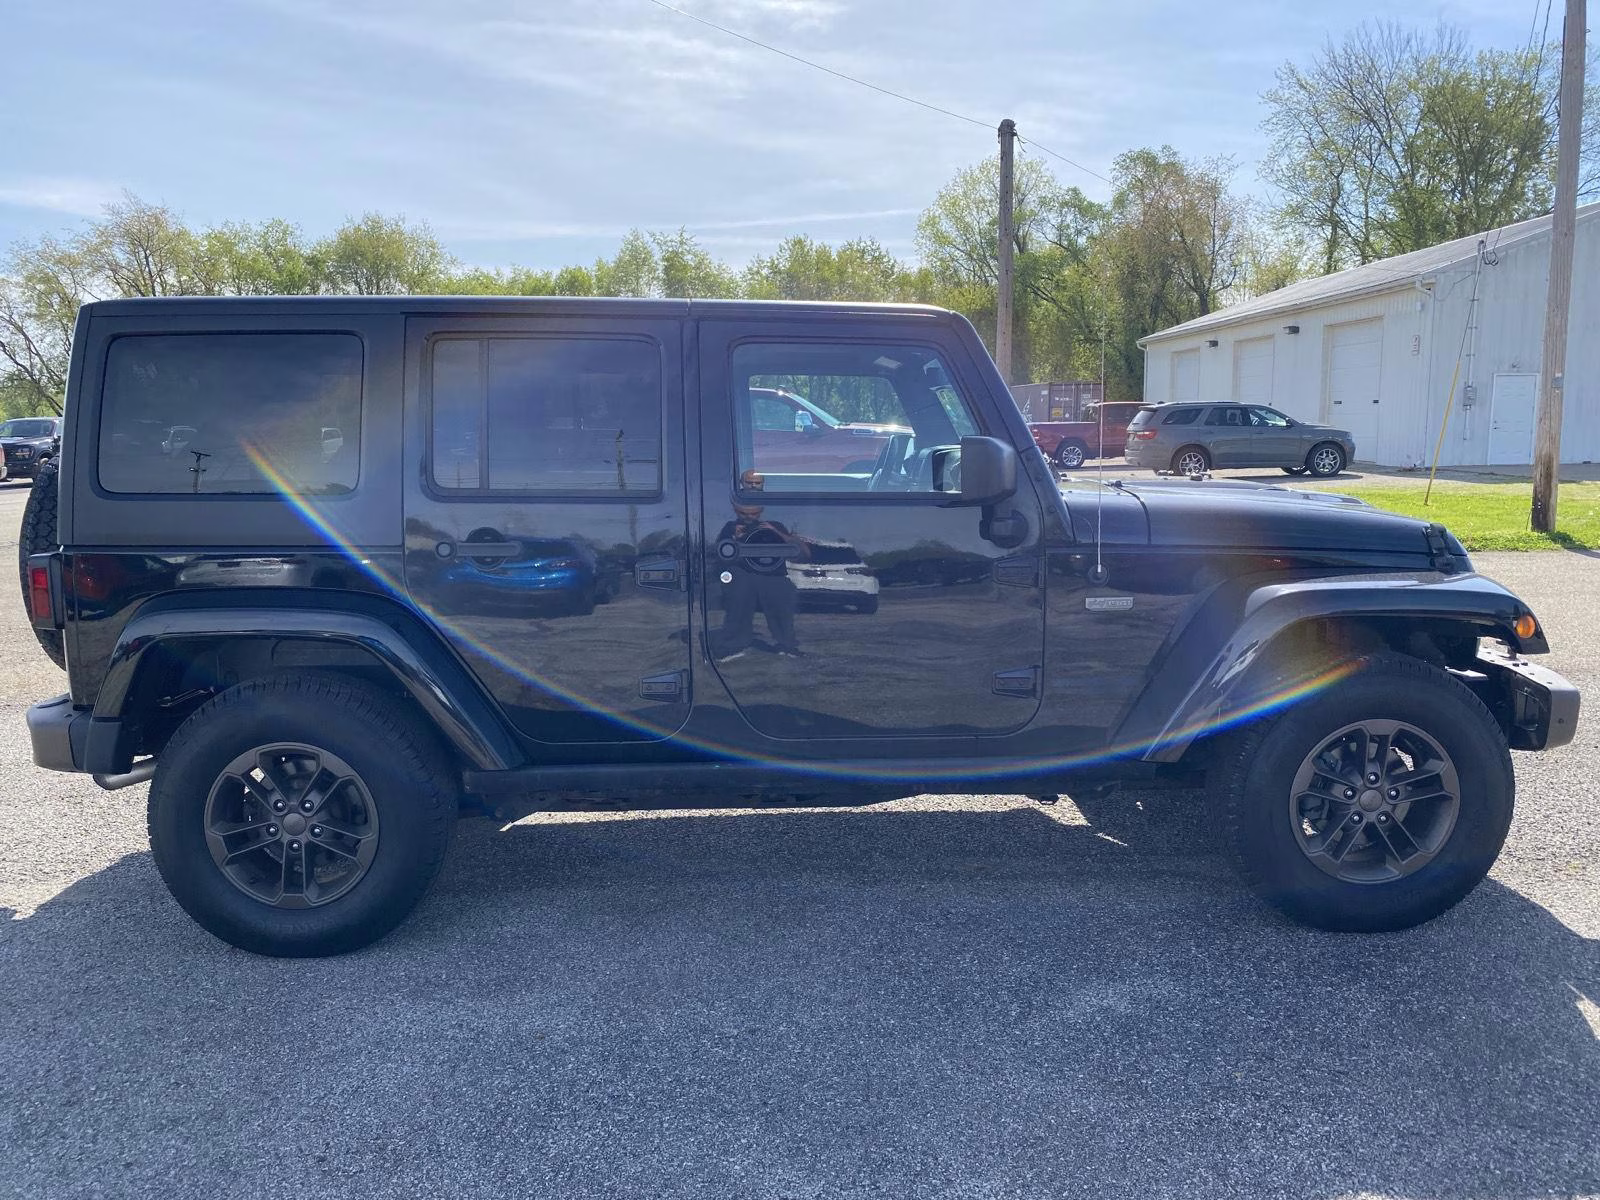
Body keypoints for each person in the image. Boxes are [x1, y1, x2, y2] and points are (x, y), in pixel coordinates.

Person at [710, 469, 806, 662]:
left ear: (761, 511)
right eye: (744, 514)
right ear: (736, 511)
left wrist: (777, 533)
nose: (749, 518)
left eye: (753, 514)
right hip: (742, 574)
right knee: (739, 596)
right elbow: (719, 557)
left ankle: (787, 645)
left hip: (773, 574)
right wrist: (733, 539)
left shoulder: (774, 525)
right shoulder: (730, 527)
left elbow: (802, 553)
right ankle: (731, 646)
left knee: (782, 595)